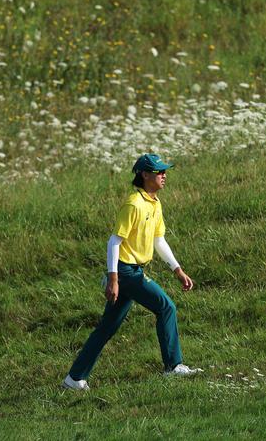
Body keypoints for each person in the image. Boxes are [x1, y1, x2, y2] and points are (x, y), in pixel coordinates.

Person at [62, 153, 200, 390]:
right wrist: (113, 279)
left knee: (107, 327)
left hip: (129, 271)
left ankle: (74, 379)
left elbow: (159, 240)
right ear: (145, 175)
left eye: (164, 171)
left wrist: (177, 270)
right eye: (159, 172)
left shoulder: (154, 203)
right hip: (125, 272)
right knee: (166, 306)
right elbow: (114, 242)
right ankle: (173, 366)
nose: (164, 176)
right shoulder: (133, 204)